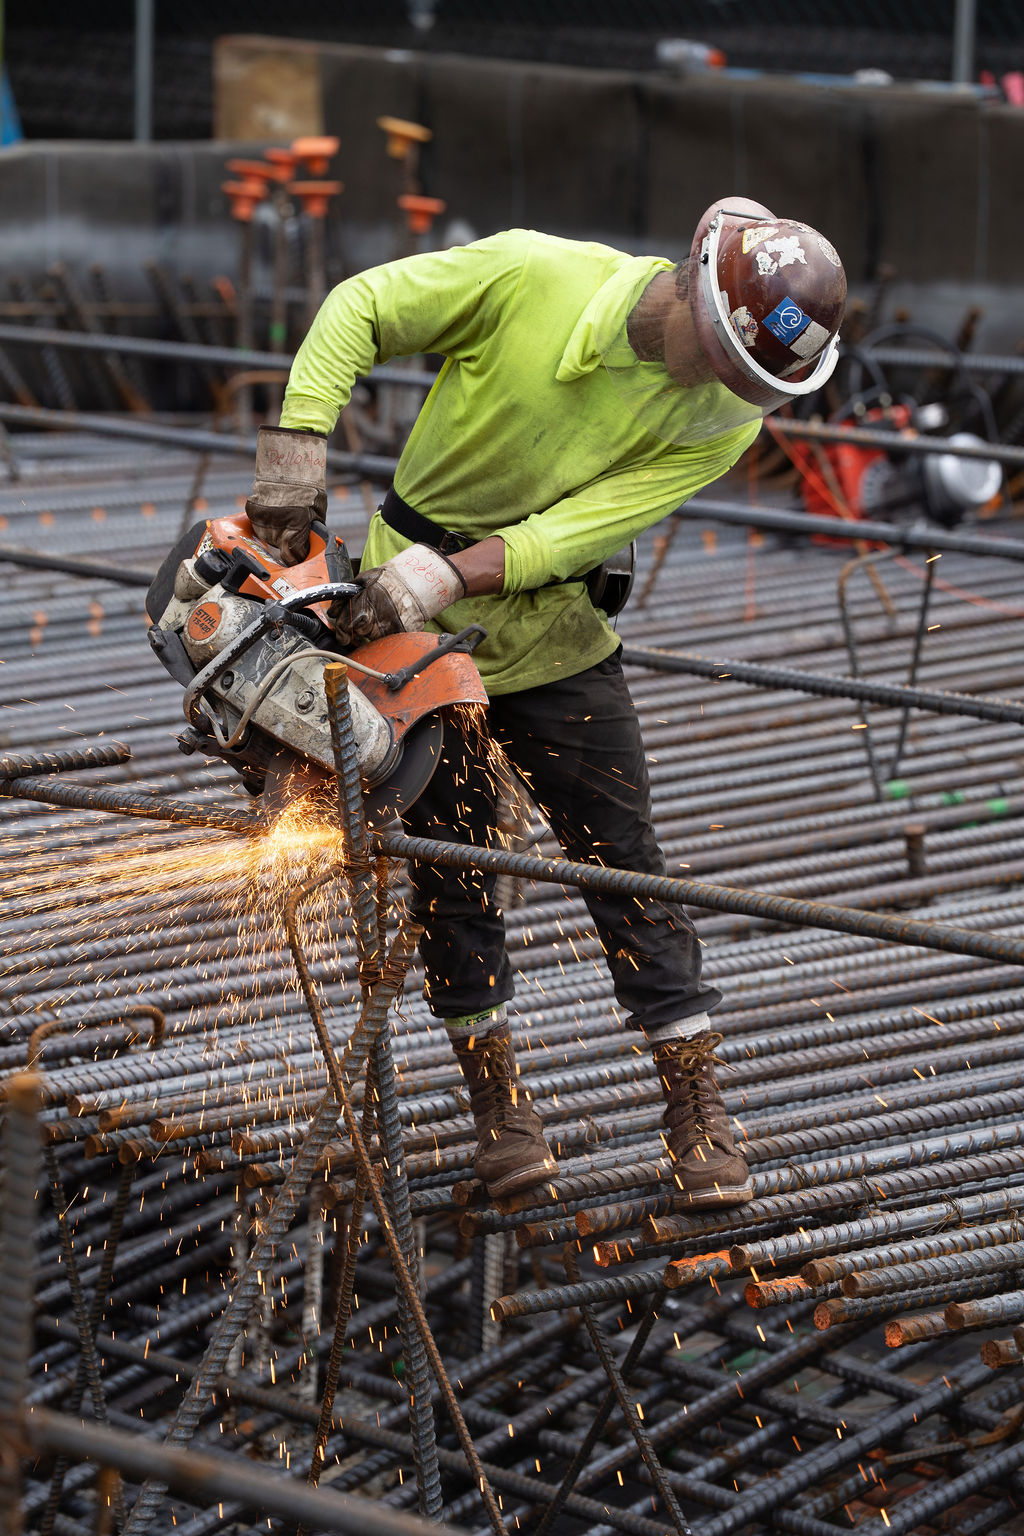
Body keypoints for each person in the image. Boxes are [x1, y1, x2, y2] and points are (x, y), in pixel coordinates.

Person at [246, 199, 846, 1207]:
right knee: (454, 872)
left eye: (745, 379)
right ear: (693, 283)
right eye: (720, 359)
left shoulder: (729, 416)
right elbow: (361, 307)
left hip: (555, 635)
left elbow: (569, 534)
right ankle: (499, 1105)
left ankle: (695, 1106)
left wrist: (441, 578)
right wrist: (297, 449)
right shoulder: (532, 276)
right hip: (409, 637)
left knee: (626, 866)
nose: (721, 386)